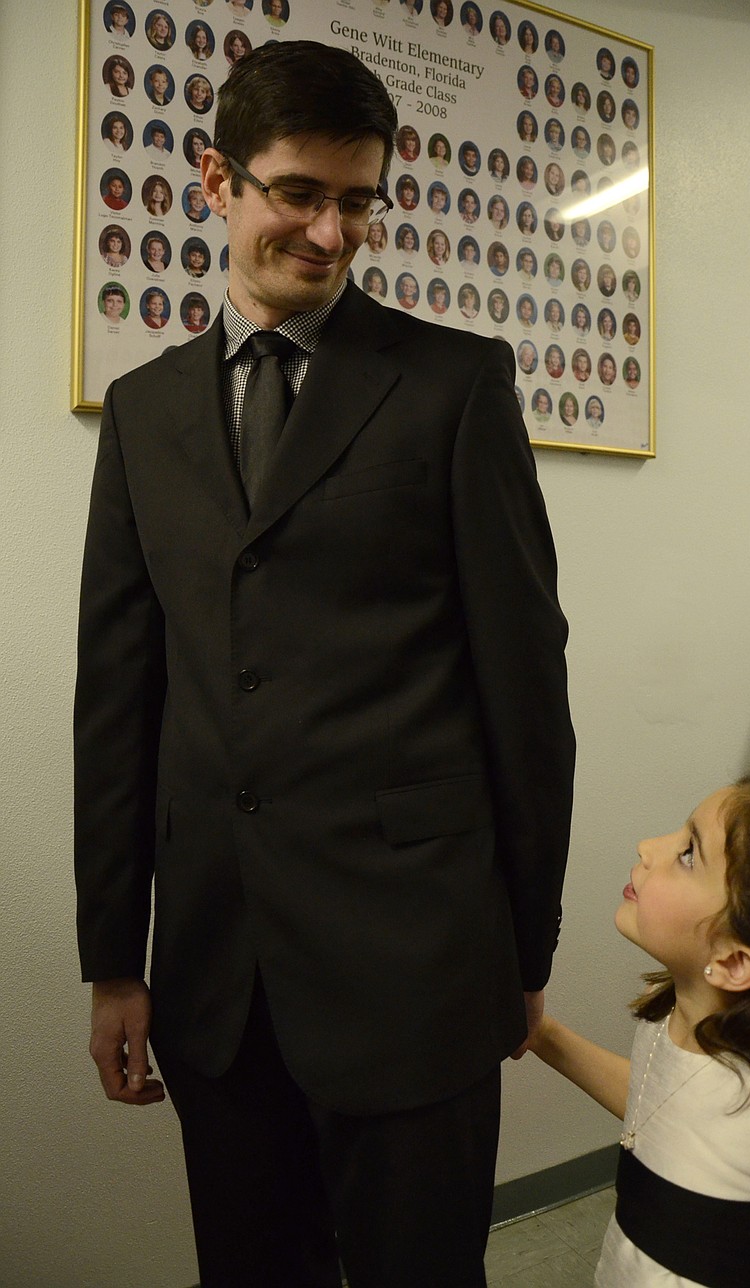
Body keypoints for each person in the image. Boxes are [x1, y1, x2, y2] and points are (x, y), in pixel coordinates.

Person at [75, 40, 574, 1288]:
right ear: (216, 181)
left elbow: (525, 685)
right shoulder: (143, 412)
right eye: (299, 192)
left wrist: (525, 953)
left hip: (417, 964)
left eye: (357, 200)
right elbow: (118, 694)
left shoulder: (456, 385)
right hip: (215, 974)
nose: (332, 231)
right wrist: (113, 957)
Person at [530, 776, 750, 1286]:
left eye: (688, 854)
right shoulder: (673, 1022)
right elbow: (660, 1111)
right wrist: (543, 1036)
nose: (648, 847)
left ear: (734, 961)